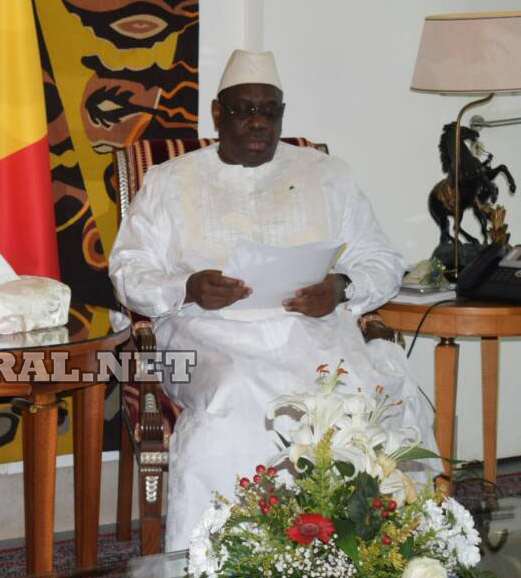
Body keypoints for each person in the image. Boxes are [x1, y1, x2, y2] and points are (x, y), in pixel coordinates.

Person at [108, 50, 437, 551]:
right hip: (204, 330)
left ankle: (357, 551)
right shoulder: (170, 181)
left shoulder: (329, 174)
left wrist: (341, 288)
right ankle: (227, 562)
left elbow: (382, 260)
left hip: (312, 329)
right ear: (219, 113)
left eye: (270, 110)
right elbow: (129, 271)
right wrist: (187, 286)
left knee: (355, 398)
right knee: (237, 393)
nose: (258, 121)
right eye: (244, 109)